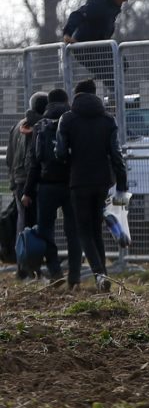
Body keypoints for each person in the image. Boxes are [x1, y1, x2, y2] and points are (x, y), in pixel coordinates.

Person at [55, 79, 128, 291]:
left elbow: (60, 152)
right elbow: (116, 154)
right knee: (97, 229)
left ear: (76, 95)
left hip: (78, 180)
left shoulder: (67, 119)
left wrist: (69, 160)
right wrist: (121, 183)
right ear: (96, 95)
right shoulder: (107, 120)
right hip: (103, 180)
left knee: (84, 231)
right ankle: (102, 276)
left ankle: (100, 274)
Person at [22, 89, 77, 287]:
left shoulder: (40, 126)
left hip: (46, 185)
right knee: (73, 231)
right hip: (72, 185)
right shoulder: (73, 122)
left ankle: (55, 271)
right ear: (66, 101)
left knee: (46, 230)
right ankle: (75, 277)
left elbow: (35, 163)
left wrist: (28, 191)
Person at [62, 0, 149, 92]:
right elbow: (77, 15)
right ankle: (114, 98)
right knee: (109, 73)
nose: (125, 0)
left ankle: (89, 87)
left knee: (122, 64)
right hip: (84, 47)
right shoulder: (98, 3)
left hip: (100, 44)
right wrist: (67, 34)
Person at [8, 93, 47, 244]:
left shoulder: (17, 126)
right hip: (36, 179)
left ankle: (23, 257)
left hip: (19, 178)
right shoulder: (43, 125)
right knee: (39, 220)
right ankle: (38, 256)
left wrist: (13, 179)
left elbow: (10, 157)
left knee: (23, 220)